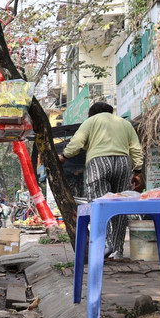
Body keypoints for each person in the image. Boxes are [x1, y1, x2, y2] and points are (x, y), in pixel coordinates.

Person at [60, 101, 143, 260]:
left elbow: (76, 143)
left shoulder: (90, 122)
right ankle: (117, 251)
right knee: (120, 207)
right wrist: (137, 171)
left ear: (91, 114)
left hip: (98, 162)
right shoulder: (125, 123)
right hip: (122, 163)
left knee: (98, 204)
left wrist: (64, 156)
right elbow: (135, 148)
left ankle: (106, 245)